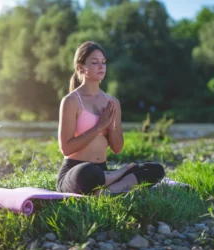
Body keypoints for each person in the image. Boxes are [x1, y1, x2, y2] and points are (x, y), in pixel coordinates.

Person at [56, 41, 165, 195]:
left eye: (103, 62)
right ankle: (116, 177)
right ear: (81, 67)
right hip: (76, 171)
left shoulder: (112, 102)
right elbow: (66, 149)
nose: (101, 66)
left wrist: (111, 126)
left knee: (155, 169)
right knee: (87, 173)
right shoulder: (71, 101)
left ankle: (107, 191)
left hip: (102, 171)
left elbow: (117, 148)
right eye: (94, 62)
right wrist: (98, 127)